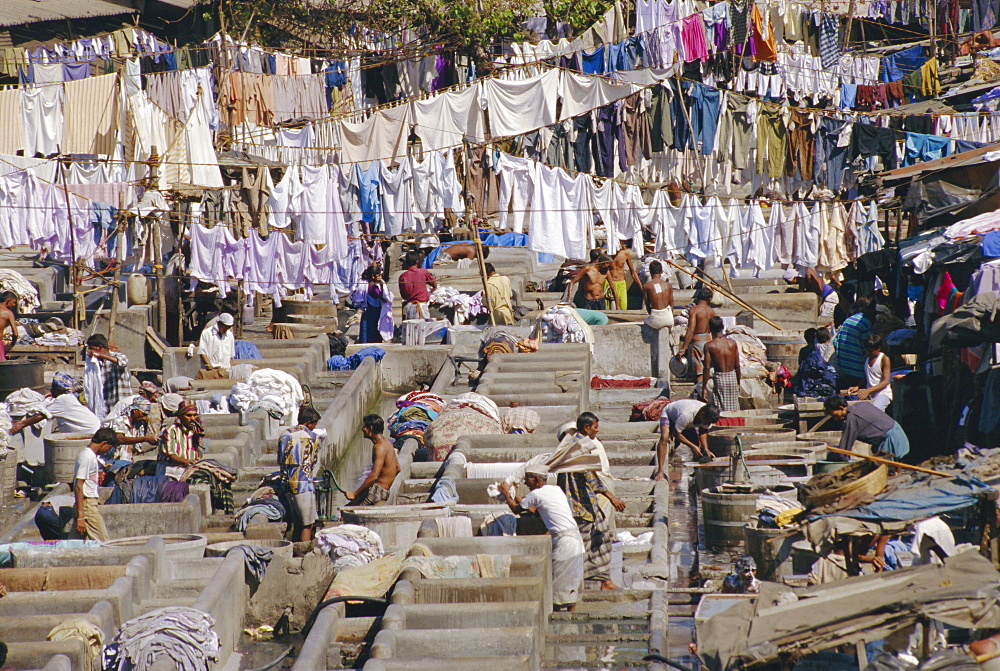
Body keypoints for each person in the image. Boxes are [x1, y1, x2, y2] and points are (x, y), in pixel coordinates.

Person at [498, 464, 584, 612]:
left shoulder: (536, 494)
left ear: (537, 480)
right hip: (574, 538)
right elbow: (535, 509)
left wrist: (506, 493)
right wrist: (516, 497)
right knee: (570, 584)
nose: (525, 483)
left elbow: (515, 509)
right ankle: (569, 619)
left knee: (557, 585)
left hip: (565, 542)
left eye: (527, 480)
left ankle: (557, 623)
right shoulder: (556, 490)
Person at [557, 413, 626, 591]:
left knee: (600, 536)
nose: (597, 430)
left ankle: (602, 580)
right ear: (586, 428)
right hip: (579, 505)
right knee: (582, 543)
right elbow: (590, 478)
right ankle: (576, 584)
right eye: (595, 427)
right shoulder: (579, 447)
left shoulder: (574, 444)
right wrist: (612, 497)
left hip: (584, 503)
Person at [278, 406, 324, 541]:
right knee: (306, 524)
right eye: (314, 424)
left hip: (287, 484)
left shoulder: (284, 434)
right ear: (309, 423)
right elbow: (312, 461)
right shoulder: (312, 437)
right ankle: (304, 552)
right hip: (303, 485)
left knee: (296, 521)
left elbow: (280, 459)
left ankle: (295, 549)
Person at [10, 373, 100, 436]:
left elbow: (42, 415)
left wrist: (21, 424)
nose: (51, 391)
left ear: (60, 391)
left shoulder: (63, 400)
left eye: (53, 389)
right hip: (92, 426)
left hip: (89, 430)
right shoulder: (67, 397)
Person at [824, 396, 909, 459]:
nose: (835, 418)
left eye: (835, 415)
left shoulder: (852, 418)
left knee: (887, 468)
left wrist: (841, 460)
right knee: (895, 465)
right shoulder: (861, 405)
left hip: (890, 438)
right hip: (896, 429)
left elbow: (845, 447)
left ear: (841, 408)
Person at [71, 427, 118, 541]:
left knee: (77, 542)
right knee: (103, 541)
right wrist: (81, 516)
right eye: (108, 448)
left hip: (85, 503)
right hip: (87, 504)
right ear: (104, 443)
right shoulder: (87, 457)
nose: (107, 451)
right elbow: (79, 485)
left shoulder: (90, 455)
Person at [654, 399, 720, 477]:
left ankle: (697, 473)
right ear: (702, 415)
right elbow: (676, 433)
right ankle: (660, 471)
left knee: (696, 444)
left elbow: (703, 431)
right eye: (706, 422)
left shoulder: (707, 415)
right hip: (669, 414)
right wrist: (692, 446)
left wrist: (706, 448)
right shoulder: (687, 414)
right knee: (664, 438)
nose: (706, 424)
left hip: (685, 421)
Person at [346, 414, 400, 506]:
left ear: (370, 428)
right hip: (382, 490)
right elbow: (398, 468)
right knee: (349, 507)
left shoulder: (379, 447)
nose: (362, 429)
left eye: (364, 426)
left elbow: (374, 475)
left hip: (377, 492)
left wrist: (355, 493)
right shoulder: (388, 443)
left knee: (348, 512)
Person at [83, 333, 132, 419]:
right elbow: (88, 380)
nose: (89, 351)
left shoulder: (117, 356)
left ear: (100, 347)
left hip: (120, 402)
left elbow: (123, 362)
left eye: (92, 348)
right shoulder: (95, 363)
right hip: (105, 405)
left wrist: (100, 355)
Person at [832, 295, 874, 389]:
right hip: (858, 370)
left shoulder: (848, 320)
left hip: (845, 368)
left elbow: (835, 343)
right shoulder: (865, 323)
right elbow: (868, 347)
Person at [702, 316, 741, 412]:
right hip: (732, 377)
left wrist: (704, 387)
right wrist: (738, 382)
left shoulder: (709, 345)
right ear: (723, 327)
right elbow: (737, 365)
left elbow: (706, 368)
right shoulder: (732, 343)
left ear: (710, 329)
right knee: (734, 407)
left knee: (720, 407)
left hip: (720, 378)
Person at [102, 397, 157, 462]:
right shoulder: (119, 421)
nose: (145, 418)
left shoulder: (138, 425)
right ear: (135, 411)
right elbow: (120, 439)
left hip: (127, 460)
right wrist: (146, 438)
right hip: (111, 460)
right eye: (143, 414)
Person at [677, 286, 716, 379]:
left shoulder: (694, 310)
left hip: (697, 343)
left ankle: (700, 392)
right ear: (709, 299)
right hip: (708, 340)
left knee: (699, 372)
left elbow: (691, 329)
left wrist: (683, 349)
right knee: (706, 369)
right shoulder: (711, 311)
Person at [157, 402, 204, 477]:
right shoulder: (171, 430)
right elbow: (171, 455)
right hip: (170, 469)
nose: (192, 418)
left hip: (189, 468)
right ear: (181, 416)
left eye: (194, 415)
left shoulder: (197, 430)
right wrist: (186, 461)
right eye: (188, 415)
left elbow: (199, 452)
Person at [852, 334, 893, 411]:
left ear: (879, 348)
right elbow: (868, 375)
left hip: (882, 393)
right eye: (866, 350)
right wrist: (858, 387)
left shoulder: (884, 359)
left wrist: (868, 390)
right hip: (870, 394)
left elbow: (885, 381)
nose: (867, 353)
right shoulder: (867, 358)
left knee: (875, 411)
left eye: (870, 351)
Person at [398, 251, 437, 320]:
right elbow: (433, 283)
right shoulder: (423, 272)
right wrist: (434, 287)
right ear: (417, 261)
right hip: (422, 307)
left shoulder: (402, 276)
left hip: (409, 307)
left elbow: (403, 295)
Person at [196, 312, 235, 380]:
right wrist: (210, 366)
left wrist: (232, 370)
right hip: (211, 371)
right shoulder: (206, 333)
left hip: (225, 370)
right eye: (225, 327)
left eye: (228, 327)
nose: (226, 330)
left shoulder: (229, 335)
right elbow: (202, 353)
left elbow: (230, 357)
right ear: (219, 323)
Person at [359, 265, 391, 344]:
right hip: (374, 312)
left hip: (368, 312)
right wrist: (382, 284)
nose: (380, 276)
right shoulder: (373, 288)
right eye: (379, 275)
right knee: (373, 332)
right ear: (373, 276)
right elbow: (384, 298)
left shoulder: (367, 285)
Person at [606, 246, 643, 310]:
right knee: (607, 307)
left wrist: (641, 286)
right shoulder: (606, 255)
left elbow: (633, 272)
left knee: (623, 306)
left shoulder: (625, 254)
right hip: (608, 283)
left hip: (621, 283)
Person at [642, 261, 675, 329]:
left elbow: (647, 305)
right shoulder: (668, 285)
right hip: (669, 318)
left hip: (655, 319)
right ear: (661, 271)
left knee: (644, 322)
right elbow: (672, 304)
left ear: (650, 272)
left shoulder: (646, 286)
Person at [0, 290, 18, 361]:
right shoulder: (8, 313)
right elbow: (15, 333)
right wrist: (13, 344)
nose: (14, 305)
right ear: (8, 301)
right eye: (13, 302)